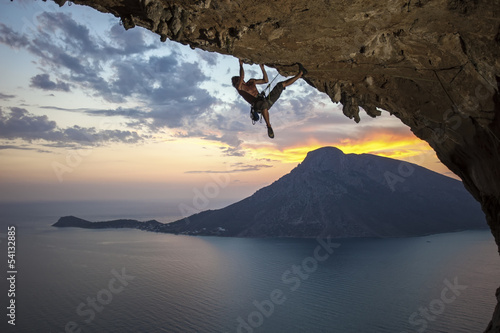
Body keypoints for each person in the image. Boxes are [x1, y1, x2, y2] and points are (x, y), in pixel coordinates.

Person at [232, 60, 307, 138]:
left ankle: (301, 74)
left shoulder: (251, 82)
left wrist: (262, 68)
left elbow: (265, 80)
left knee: (281, 85)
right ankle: (269, 126)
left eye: (236, 80)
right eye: (235, 82)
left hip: (265, 101)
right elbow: (242, 76)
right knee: (263, 105)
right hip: (257, 105)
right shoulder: (240, 88)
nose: (237, 82)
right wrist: (241, 65)